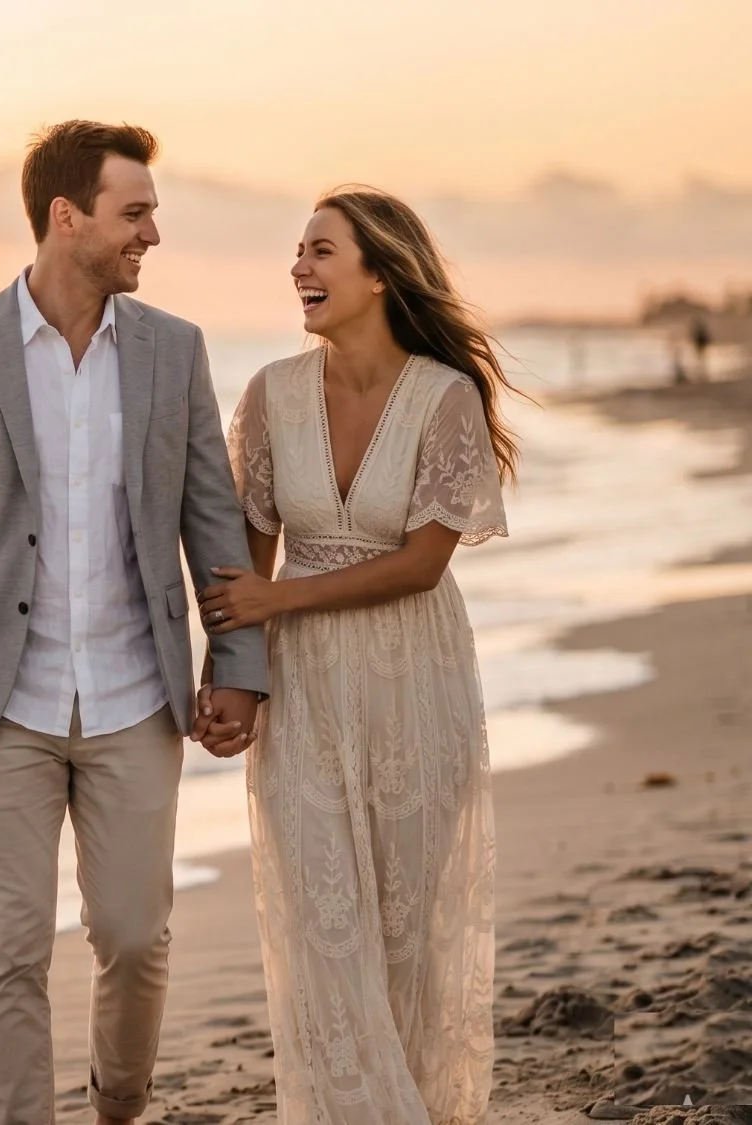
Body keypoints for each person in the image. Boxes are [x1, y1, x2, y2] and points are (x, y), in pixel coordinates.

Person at [0, 119, 268, 1125]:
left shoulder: (170, 351)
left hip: (135, 694)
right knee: (5, 947)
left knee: (135, 935)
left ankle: (116, 1103)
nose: (150, 235)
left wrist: (239, 666)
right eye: (132, 213)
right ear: (67, 217)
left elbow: (210, 519)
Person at [194, 186, 515, 1124]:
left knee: (407, 936)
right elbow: (241, 560)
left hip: (414, 681)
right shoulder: (268, 396)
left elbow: (420, 563)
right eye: (298, 250)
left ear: (380, 272)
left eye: (322, 251)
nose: (300, 266)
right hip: (302, 693)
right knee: (323, 930)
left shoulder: (446, 397)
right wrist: (232, 680)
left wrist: (279, 598)